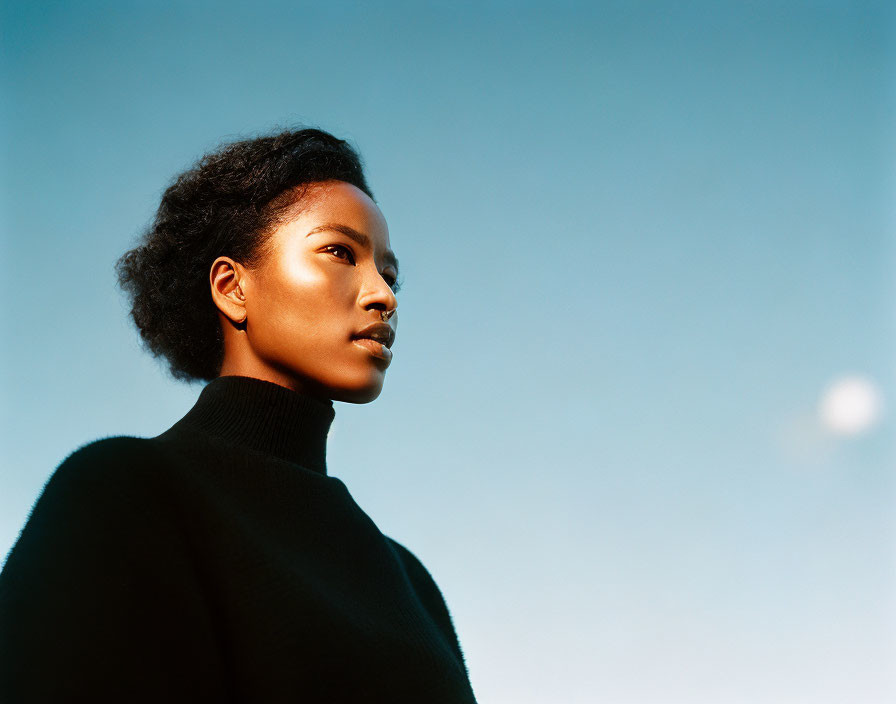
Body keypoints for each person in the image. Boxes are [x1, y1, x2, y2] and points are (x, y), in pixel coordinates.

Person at [0, 128, 478, 703]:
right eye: (340, 252)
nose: (384, 295)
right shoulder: (125, 492)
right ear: (232, 288)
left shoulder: (410, 584)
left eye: (390, 274)